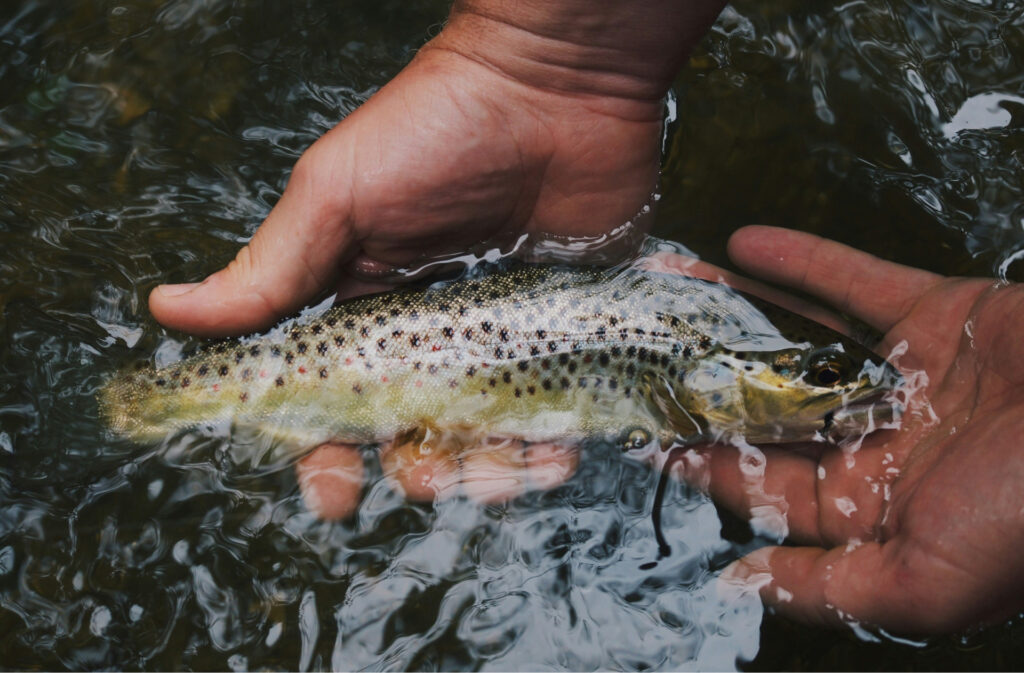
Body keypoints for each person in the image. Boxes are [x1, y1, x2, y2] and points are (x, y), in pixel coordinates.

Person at [146, 0, 1024, 636]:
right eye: (823, 378)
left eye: (825, 380)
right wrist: (535, 58)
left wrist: (540, 53)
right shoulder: (691, 361)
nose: (850, 390)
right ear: (709, 378)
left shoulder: (695, 358)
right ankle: (161, 407)